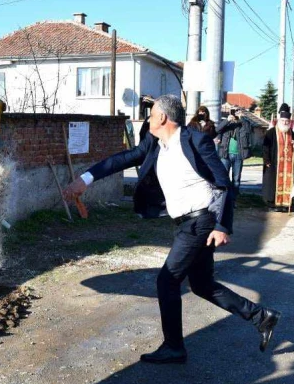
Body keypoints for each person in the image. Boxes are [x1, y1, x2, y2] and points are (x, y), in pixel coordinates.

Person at [62, 95, 281, 364]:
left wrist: (223, 226)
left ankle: (174, 347)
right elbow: (123, 158)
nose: (148, 119)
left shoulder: (194, 140)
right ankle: (261, 317)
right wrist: (86, 179)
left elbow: (224, 183)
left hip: (200, 221)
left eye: (151, 115)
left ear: (163, 117)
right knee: (201, 285)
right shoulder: (156, 145)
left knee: (167, 280)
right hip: (186, 224)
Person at [262, 104, 294, 211]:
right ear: (279, 120)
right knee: (272, 185)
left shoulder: (292, 133)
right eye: (283, 121)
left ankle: (286, 204)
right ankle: (273, 205)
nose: (285, 123)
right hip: (273, 163)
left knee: (288, 182)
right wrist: (267, 160)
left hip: (288, 165)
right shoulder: (271, 132)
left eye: (287, 121)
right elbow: (265, 147)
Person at [217, 107, 253, 195]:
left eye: (237, 112)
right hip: (226, 154)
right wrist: (227, 120)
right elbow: (217, 129)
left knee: (236, 179)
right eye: (234, 112)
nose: (235, 114)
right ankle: (224, 195)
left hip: (239, 155)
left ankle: (234, 197)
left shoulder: (243, 124)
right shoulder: (227, 124)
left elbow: (249, 130)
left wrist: (242, 118)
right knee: (224, 176)